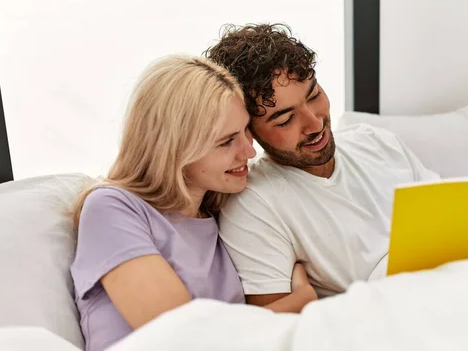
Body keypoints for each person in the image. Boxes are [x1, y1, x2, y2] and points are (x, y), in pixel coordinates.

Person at [70, 55, 317, 351]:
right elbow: (181, 339)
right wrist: (301, 301)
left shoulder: (222, 216)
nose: (249, 152)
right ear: (175, 148)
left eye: (246, 131)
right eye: (226, 141)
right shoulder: (112, 208)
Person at [204, 23, 440, 306]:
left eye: (314, 95)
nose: (315, 123)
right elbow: (272, 329)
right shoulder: (254, 203)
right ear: (248, 131)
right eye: (284, 120)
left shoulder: (378, 143)